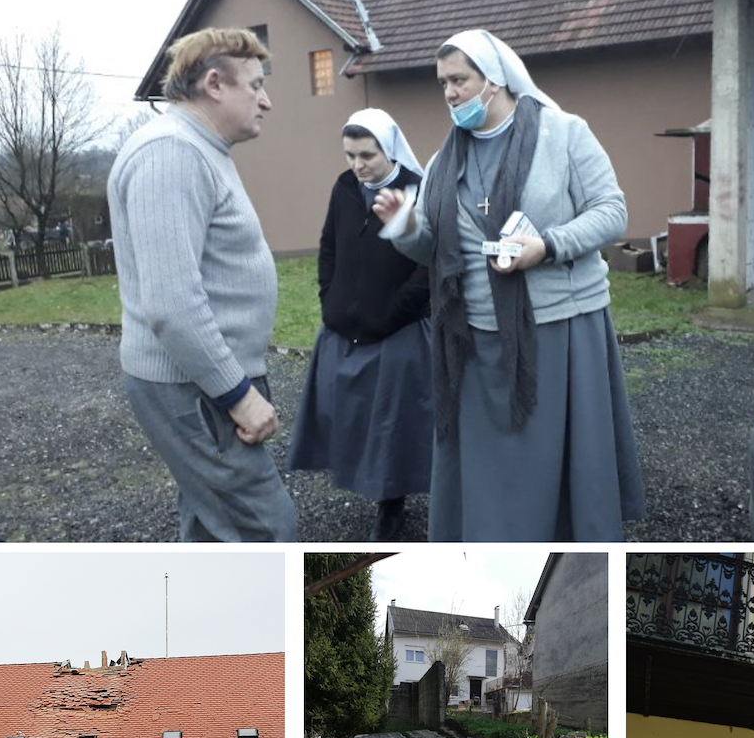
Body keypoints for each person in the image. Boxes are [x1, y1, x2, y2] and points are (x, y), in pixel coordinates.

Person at [374, 29, 645, 541]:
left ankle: (563, 538)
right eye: (443, 83)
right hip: (473, 334)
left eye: (459, 80)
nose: (450, 93)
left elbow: (613, 212)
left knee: (552, 454)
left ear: (494, 81)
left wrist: (548, 244)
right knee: (489, 460)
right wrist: (407, 227)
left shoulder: (563, 133)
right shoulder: (443, 160)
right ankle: (492, 537)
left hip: (556, 324)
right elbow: (433, 248)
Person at [107, 28, 297, 542]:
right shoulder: (172, 153)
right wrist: (238, 395)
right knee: (267, 530)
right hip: (198, 387)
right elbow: (171, 304)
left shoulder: (199, 148)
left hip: (204, 382)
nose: (267, 100)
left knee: (212, 528)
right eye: (255, 85)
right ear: (215, 84)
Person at [288, 109, 432, 541]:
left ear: (388, 149)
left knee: (393, 423)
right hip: (344, 326)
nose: (358, 164)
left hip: (399, 330)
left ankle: (392, 503)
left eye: (367, 155)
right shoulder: (345, 187)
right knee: (350, 414)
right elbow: (329, 243)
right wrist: (328, 297)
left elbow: (429, 265)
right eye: (350, 155)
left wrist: (393, 313)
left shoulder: (417, 190)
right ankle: (360, 480)